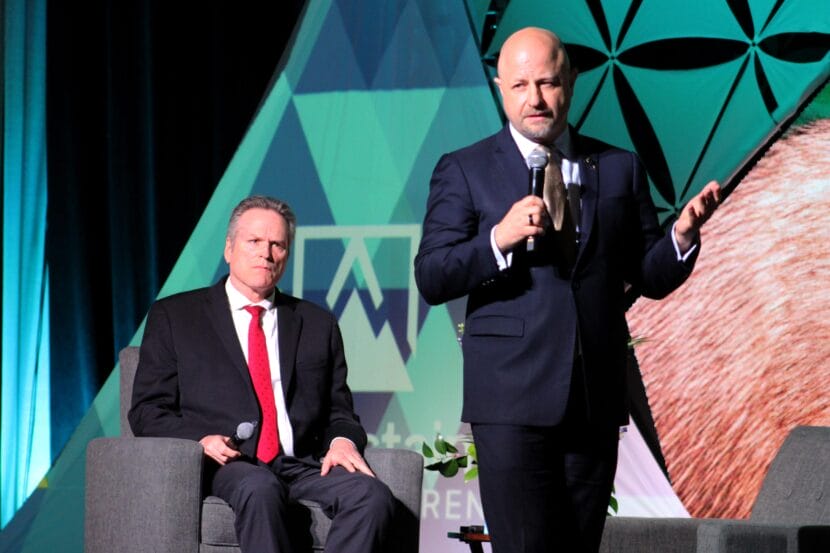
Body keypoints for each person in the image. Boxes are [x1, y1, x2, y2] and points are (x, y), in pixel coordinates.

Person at [414, 27, 721, 553]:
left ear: (572, 82)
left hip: (592, 400)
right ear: (500, 89)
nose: (534, 99)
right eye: (519, 86)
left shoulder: (619, 166)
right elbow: (433, 275)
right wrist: (498, 239)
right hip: (510, 400)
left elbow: (649, 275)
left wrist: (682, 237)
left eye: (548, 83)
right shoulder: (464, 168)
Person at [129, 195, 394, 553]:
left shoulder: (318, 324)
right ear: (229, 248)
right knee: (260, 489)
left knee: (371, 495)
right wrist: (200, 439)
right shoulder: (176, 316)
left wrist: (342, 441)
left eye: (277, 245)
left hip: (300, 464)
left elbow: (340, 413)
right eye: (254, 241)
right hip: (228, 464)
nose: (266, 254)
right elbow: (147, 411)